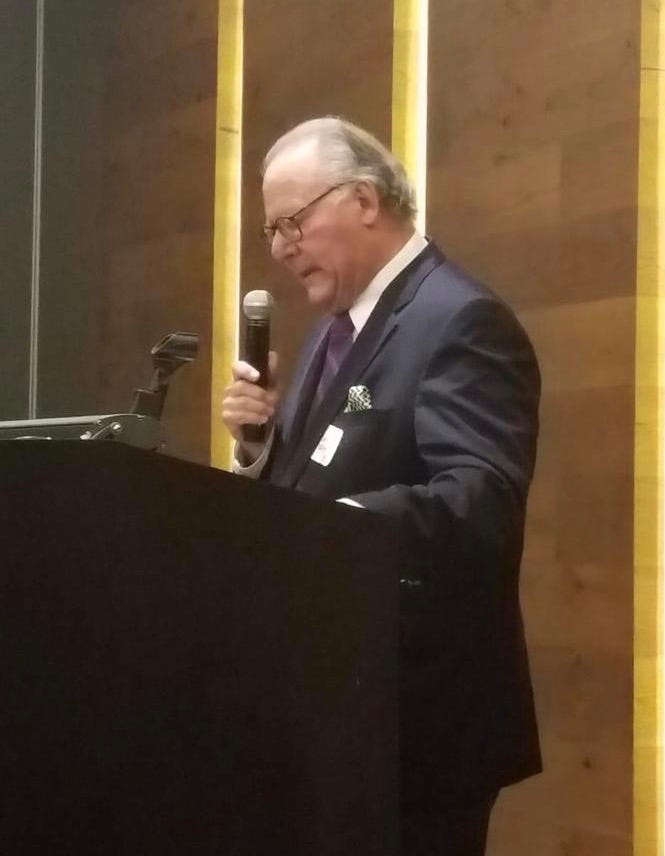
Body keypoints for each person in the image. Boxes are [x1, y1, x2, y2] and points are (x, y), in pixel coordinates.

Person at [222, 116, 541, 856]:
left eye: (293, 222)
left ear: (364, 200)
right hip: (338, 712)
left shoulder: (459, 320)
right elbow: (314, 486)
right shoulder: (337, 333)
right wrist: (260, 450)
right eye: (272, 231)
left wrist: (336, 524)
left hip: (416, 724)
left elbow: (480, 501)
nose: (280, 248)